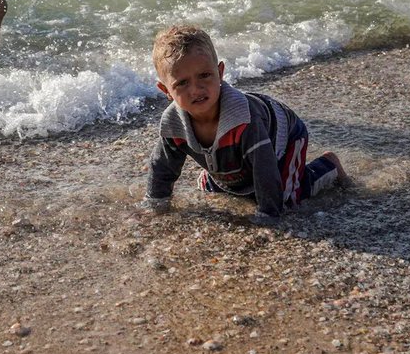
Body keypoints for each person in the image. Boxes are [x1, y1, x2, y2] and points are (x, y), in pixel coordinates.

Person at [140, 25, 346, 220]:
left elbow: (265, 170)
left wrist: (268, 216)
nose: (196, 89)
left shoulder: (243, 119)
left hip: (284, 135)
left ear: (220, 72)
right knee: (218, 190)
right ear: (166, 90)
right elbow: (162, 168)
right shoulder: (172, 124)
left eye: (205, 75)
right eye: (182, 83)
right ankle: (221, 175)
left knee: (286, 198)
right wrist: (156, 205)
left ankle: (327, 166)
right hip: (238, 150)